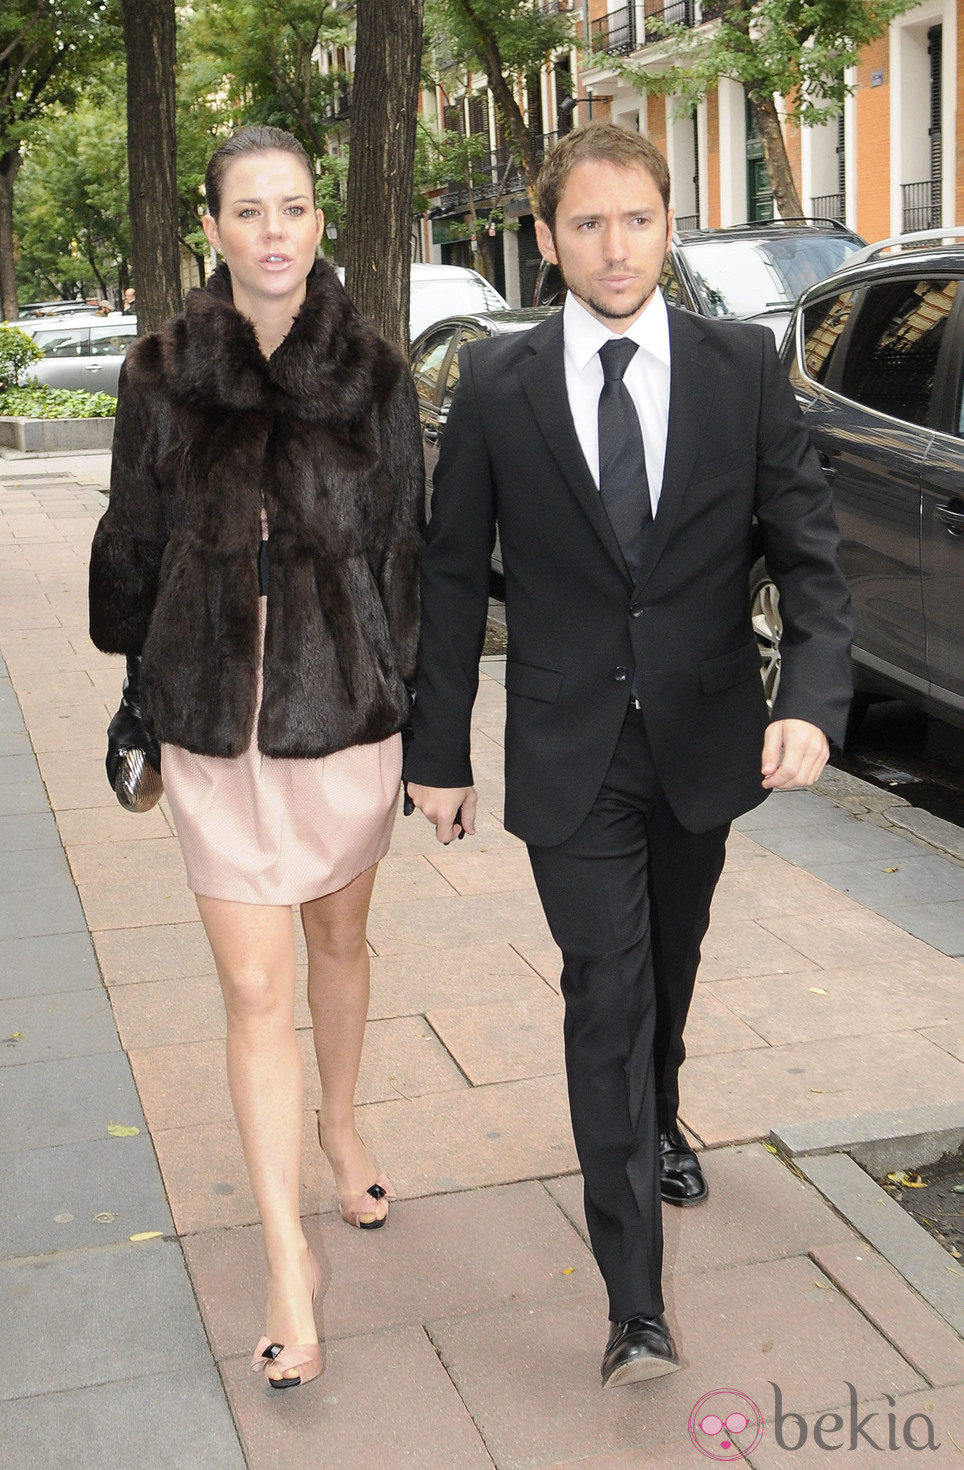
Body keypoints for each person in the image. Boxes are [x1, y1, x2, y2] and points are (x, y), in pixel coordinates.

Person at [403, 122, 852, 1388]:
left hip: (704, 739)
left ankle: (657, 1107)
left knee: (664, 966)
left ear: (667, 222)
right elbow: (449, 580)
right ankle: (634, 1304)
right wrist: (436, 752)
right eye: (585, 224)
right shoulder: (497, 382)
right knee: (603, 988)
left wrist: (810, 698)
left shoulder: (738, 369)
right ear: (547, 239)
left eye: (636, 220)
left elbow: (807, 553)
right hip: (566, 746)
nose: (613, 246)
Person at [89, 125, 424, 1390]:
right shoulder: (159, 372)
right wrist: (134, 679)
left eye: (293, 208)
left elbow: (408, 546)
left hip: (342, 712)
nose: (274, 231)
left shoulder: (376, 376)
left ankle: (340, 1128)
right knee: (248, 991)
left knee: (336, 943)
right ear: (214, 228)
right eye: (249, 210)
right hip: (211, 704)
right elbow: (133, 533)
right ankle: (290, 1262)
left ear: (318, 222)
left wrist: (413, 711)